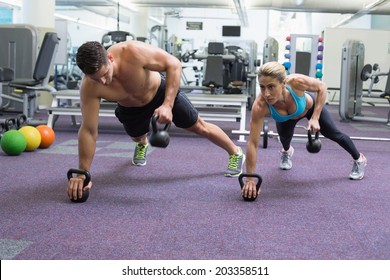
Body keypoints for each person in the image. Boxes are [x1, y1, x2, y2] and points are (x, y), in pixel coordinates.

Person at [67, 40, 245, 200]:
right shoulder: (90, 87)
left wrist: (167, 104)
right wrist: (83, 173)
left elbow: (173, 64)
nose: (104, 82)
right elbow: (89, 131)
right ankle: (142, 143)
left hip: (159, 94)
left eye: (105, 74)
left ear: (110, 58)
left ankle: (235, 152)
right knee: (136, 136)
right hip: (130, 108)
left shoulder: (132, 52)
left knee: (199, 127)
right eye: (97, 79)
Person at [241, 61, 367, 200]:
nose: (266, 94)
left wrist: (315, 117)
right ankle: (286, 152)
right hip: (285, 119)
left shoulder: (296, 82)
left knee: (334, 134)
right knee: (284, 139)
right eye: (262, 87)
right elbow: (252, 143)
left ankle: (359, 159)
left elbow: (322, 87)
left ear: (283, 83)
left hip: (308, 109)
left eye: (271, 87)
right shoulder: (260, 106)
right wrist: (250, 179)